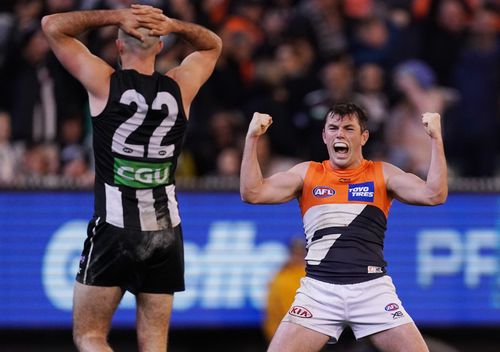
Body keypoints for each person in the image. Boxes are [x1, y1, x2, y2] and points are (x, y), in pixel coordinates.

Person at [41, 4, 222, 351]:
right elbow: (213, 44)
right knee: (154, 341)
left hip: (115, 226)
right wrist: (173, 24)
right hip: (167, 232)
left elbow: (52, 25)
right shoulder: (181, 87)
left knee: (90, 335)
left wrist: (113, 16)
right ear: (161, 47)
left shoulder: (103, 81)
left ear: (119, 46)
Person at [240, 102, 447, 352]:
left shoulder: (382, 174)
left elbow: (434, 194)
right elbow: (252, 193)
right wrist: (252, 138)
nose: (340, 133)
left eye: (349, 128)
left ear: (364, 137)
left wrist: (436, 138)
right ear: (324, 135)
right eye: (333, 127)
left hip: (371, 290)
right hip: (320, 292)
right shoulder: (308, 174)